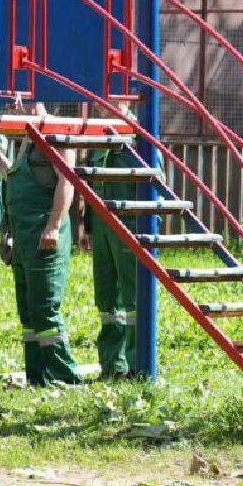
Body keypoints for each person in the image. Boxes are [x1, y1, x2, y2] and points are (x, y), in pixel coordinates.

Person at [1, 118, 82, 385]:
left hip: (43, 232)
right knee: (27, 310)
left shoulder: (56, 134)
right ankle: (38, 377)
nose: (15, 106)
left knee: (44, 308)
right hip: (23, 236)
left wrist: (54, 226)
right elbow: (13, 180)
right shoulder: (26, 139)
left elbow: (67, 181)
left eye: (21, 101)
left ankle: (66, 376)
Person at [82, 142, 140, 379]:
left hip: (130, 224)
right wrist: (88, 228)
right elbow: (89, 187)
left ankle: (138, 364)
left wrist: (149, 228)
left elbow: (155, 183)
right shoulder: (96, 143)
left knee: (133, 297)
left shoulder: (139, 141)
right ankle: (112, 365)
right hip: (101, 226)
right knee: (106, 297)